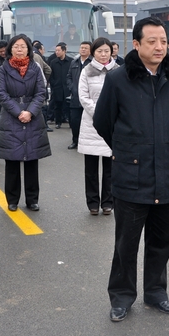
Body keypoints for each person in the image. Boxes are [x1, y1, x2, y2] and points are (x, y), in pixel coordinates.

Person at [93, 16, 169, 323]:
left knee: (162, 240)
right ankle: (121, 296)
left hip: (168, 170)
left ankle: (156, 292)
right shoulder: (119, 79)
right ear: (136, 45)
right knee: (127, 242)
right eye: (152, 41)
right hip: (132, 175)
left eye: (163, 41)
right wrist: (130, 149)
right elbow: (103, 121)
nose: (160, 47)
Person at [0, 34, 51, 212]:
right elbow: (1, 94)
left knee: (31, 160)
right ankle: (12, 199)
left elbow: (40, 93)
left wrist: (31, 111)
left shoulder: (35, 68)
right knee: (12, 160)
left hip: (32, 117)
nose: (19, 49)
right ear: (10, 49)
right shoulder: (3, 69)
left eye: (23, 46)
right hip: (11, 117)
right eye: (16, 46)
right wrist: (19, 112)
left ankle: (32, 199)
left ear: (28, 49)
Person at [77, 37, 118, 215]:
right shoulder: (86, 71)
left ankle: (108, 202)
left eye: (106, 51)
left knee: (110, 168)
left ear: (111, 52)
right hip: (91, 124)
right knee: (91, 169)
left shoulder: (118, 71)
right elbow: (83, 96)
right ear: (93, 52)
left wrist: (110, 115)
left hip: (112, 124)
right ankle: (93, 203)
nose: (103, 54)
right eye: (99, 51)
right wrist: (100, 113)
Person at [66, 41, 92, 149]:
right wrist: (72, 87)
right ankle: (75, 141)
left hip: (88, 98)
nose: (83, 49)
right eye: (82, 47)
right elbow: (69, 77)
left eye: (86, 48)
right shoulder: (74, 62)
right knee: (75, 121)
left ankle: (86, 142)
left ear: (90, 50)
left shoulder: (92, 63)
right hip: (75, 98)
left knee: (88, 123)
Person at [48, 42, 72, 128]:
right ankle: (58, 122)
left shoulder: (71, 61)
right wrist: (53, 84)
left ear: (64, 51)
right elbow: (51, 75)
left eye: (58, 50)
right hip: (57, 87)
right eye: (56, 50)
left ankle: (70, 122)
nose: (56, 52)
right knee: (57, 106)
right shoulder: (53, 62)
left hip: (67, 88)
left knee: (68, 106)